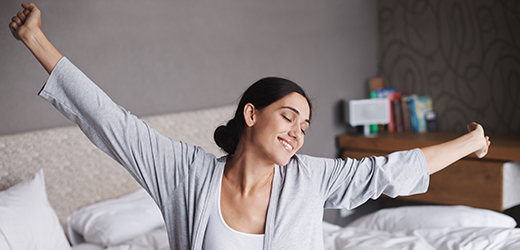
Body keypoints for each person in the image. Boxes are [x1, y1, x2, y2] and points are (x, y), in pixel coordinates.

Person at [9, 3, 491, 250]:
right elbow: (109, 121)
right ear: (251, 114)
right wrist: (36, 40)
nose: (298, 132)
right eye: (288, 115)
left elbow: (390, 172)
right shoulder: (186, 174)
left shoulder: (310, 179)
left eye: (305, 125)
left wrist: (469, 142)